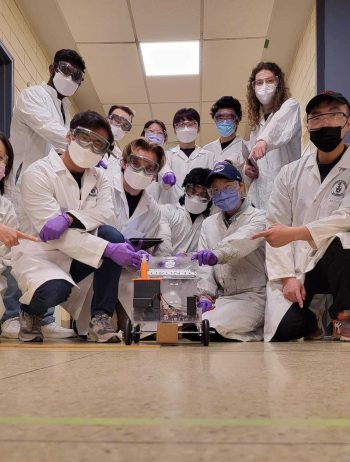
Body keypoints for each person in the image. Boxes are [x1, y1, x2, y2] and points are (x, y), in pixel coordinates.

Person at [11, 111, 144, 343]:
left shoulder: (100, 177)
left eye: (98, 144)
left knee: (113, 235)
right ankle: (30, 312)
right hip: (42, 254)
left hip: (79, 255)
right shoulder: (38, 173)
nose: (90, 147)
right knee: (55, 290)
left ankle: (100, 319)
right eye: (84, 137)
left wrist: (70, 218)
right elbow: (51, 234)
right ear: (69, 136)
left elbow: (107, 213)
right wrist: (107, 250)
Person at [252, 91, 350, 342]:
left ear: (347, 122)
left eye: (334, 115)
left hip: (339, 259)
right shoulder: (290, 173)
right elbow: (275, 224)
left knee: (344, 241)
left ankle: (345, 316)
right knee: (285, 329)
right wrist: (288, 279)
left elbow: (346, 217)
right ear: (308, 126)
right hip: (299, 264)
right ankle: (312, 320)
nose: (325, 122)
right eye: (316, 117)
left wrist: (294, 233)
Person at [3, 49, 86, 339]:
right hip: (24, 184)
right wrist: (84, 146)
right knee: (20, 246)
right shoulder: (33, 95)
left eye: (77, 76)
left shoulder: (65, 109)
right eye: (65, 70)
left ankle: (43, 317)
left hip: (47, 189)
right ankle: (13, 315)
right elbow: (51, 130)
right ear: (52, 67)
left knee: (45, 247)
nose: (70, 78)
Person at [191, 161, 266, 341]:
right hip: (223, 298)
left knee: (211, 327)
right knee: (192, 322)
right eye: (215, 190)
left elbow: (242, 241)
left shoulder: (260, 217)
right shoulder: (209, 223)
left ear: (241, 186)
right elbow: (204, 268)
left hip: (253, 297)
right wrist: (205, 295)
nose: (221, 193)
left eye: (228, 187)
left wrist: (217, 255)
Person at [105, 137, 165, 326]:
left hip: (128, 274)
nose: (141, 171)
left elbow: (150, 249)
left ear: (155, 174)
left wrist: (144, 256)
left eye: (149, 168)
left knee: (146, 327)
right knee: (94, 326)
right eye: (136, 163)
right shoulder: (103, 188)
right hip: (97, 269)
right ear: (123, 163)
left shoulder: (153, 209)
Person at [245, 62, 301, 210]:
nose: (264, 86)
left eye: (270, 81)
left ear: (278, 82)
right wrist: (248, 167)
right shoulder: (256, 127)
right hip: (261, 198)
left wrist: (264, 140)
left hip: (287, 194)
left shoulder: (290, 106)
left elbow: (279, 126)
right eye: (259, 82)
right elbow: (255, 159)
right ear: (253, 87)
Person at [155, 108, 215, 204]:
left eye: (191, 124)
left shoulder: (209, 156)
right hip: (172, 210)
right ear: (174, 130)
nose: (186, 128)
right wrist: (166, 179)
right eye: (181, 125)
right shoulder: (166, 156)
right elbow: (162, 184)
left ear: (198, 128)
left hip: (200, 209)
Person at [155, 168, 212, 256]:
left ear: (211, 195)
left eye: (203, 193)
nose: (196, 197)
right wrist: (172, 262)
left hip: (193, 268)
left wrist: (187, 258)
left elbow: (207, 253)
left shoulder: (210, 222)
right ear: (185, 189)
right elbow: (163, 247)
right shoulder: (166, 211)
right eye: (192, 190)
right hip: (164, 267)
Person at [203, 96, 249, 172]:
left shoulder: (246, 147)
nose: (224, 122)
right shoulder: (207, 149)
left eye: (229, 117)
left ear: (237, 120)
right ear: (215, 120)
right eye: (220, 118)